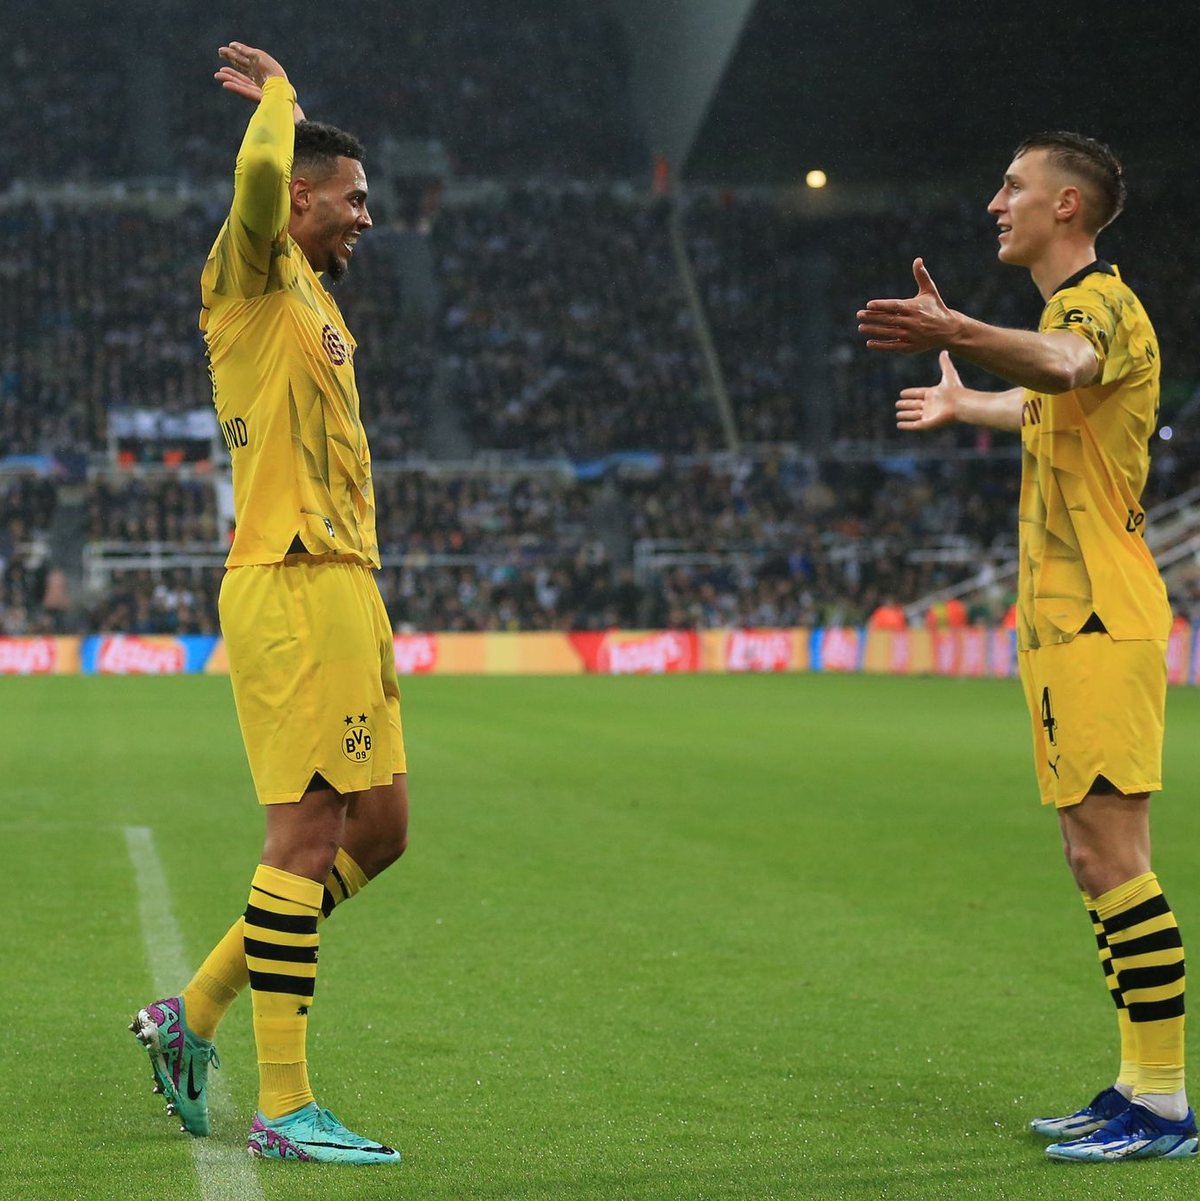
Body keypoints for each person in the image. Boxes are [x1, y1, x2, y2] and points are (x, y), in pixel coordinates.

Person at [857, 132, 1195, 1163]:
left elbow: (1066, 363)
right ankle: (1137, 1081)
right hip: (1061, 621)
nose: (996, 201)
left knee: (1115, 856)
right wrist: (969, 398)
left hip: (1100, 614)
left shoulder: (1096, 306)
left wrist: (958, 328)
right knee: (1089, 855)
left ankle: (1170, 1104)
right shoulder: (1064, 311)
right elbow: (1050, 396)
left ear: (1068, 207)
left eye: (1013, 186)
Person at [129, 43, 407, 1165]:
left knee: (379, 831)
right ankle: (284, 1103)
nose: (366, 219)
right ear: (301, 195)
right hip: (290, 580)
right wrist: (283, 102)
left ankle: (186, 1014)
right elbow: (253, 187)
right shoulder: (246, 273)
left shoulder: (317, 305)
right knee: (300, 839)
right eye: (354, 199)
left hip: (347, 583)